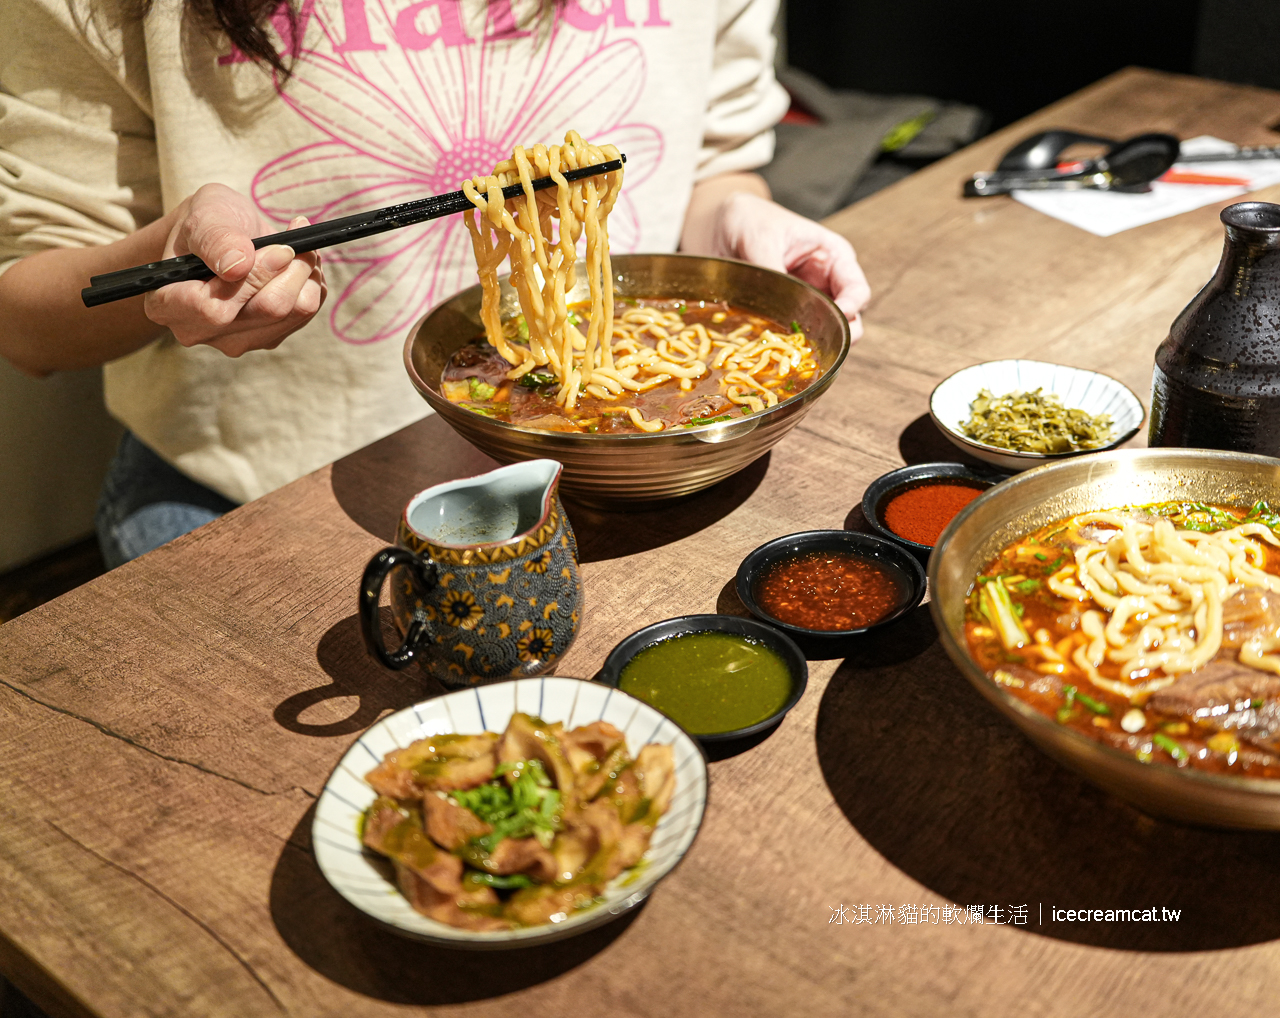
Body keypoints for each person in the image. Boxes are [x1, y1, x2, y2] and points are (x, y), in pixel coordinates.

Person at [0, 0, 871, 569]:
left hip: (630, 479)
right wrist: (169, 255)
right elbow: (28, 322)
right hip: (258, 506)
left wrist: (734, 222)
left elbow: (716, 163)